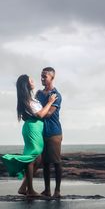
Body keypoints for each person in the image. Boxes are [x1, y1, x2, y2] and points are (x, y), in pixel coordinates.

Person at [1, 74, 57, 197]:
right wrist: (50, 102)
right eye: (31, 80)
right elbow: (41, 114)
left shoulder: (32, 98)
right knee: (33, 156)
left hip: (36, 128)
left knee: (38, 159)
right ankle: (30, 190)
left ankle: (23, 187)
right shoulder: (27, 100)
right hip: (32, 128)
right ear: (26, 84)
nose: (33, 81)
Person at [36, 67, 63, 198]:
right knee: (45, 163)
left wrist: (38, 113)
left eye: (44, 76)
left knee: (56, 162)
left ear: (52, 78)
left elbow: (48, 114)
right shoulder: (39, 94)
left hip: (54, 133)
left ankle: (57, 191)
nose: (41, 78)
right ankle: (47, 190)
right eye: (41, 76)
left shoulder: (56, 95)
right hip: (41, 132)